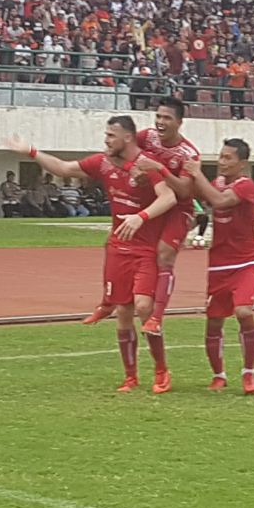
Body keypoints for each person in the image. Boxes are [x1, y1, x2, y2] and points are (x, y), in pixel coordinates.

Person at [5, 116, 179, 393]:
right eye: (106, 134)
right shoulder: (102, 163)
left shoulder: (145, 164)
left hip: (144, 249)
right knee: (123, 312)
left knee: (144, 307)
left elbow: (168, 197)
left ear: (128, 138)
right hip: (117, 250)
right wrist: (31, 151)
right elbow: (63, 168)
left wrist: (141, 217)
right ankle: (130, 376)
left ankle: (161, 370)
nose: (106, 139)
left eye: (112, 135)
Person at [82, 97, 200, 337]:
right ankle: (107, 301)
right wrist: (129, 169)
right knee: (114, 239)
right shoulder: (147, 136)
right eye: (158, 116)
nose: (160, 122)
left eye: (167, 118)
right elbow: (127, 151)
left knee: (164, 252)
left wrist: (160, 170)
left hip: (178, 207)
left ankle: (156, 316)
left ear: (179, 122)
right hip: (153, 199)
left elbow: (185, 191)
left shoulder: (189, 153)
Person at [185, 138, 254, 395]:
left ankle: (248, 374)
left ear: (242, 163)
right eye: (220, 156)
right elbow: (192, 192)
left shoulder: (246, 186)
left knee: (242, 311)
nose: (222, 162)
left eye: (228, 158)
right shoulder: (216, 183)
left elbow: (218, 201)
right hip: (218, 264)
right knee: (214, 321)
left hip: (246, 261)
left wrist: (196, 175)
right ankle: (218, 375)